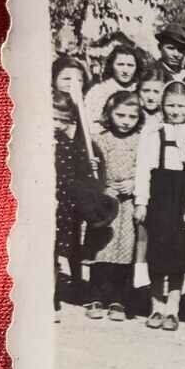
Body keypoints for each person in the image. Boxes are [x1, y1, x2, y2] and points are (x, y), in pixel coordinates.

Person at [134, 82, 185, 331]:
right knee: (156, 254)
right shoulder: (152, 132)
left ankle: (173, 307)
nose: (175, 111)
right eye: (170, 105)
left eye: (181, 106)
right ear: (162, 106)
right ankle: (156, 305)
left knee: (178, 255)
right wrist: (141, 201)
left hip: (183, 199)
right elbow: (143, 169)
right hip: (159, 198)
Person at [82, 90, 144, 322]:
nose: (126, 121)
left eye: (132, 116)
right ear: (110, 114)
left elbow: (145, 167)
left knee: (125, 251)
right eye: (120, 115)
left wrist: (134, 182)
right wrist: (104, 187)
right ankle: (96, 296)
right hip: (106, 203)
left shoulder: (141, 140)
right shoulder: (101, 139)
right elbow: (93, 171)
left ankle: (119, 299)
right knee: (102, 249)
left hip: (129, 203)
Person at [53, 88, 103, 315]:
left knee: (59, 248)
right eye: (53, 118)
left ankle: (55, 292)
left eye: (63, 121)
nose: (57, 124)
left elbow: (79, 168)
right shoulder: (38, 139)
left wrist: (89, 164)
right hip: (44, 201)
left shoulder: (68, 143)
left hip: (64, 203)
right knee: (45, 251)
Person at [84, 40, 142, 122]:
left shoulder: (141, 90)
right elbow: (90, 121)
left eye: (130, 65)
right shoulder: (98, 91)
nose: (125, 70)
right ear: (111, 66)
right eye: (120, 64)